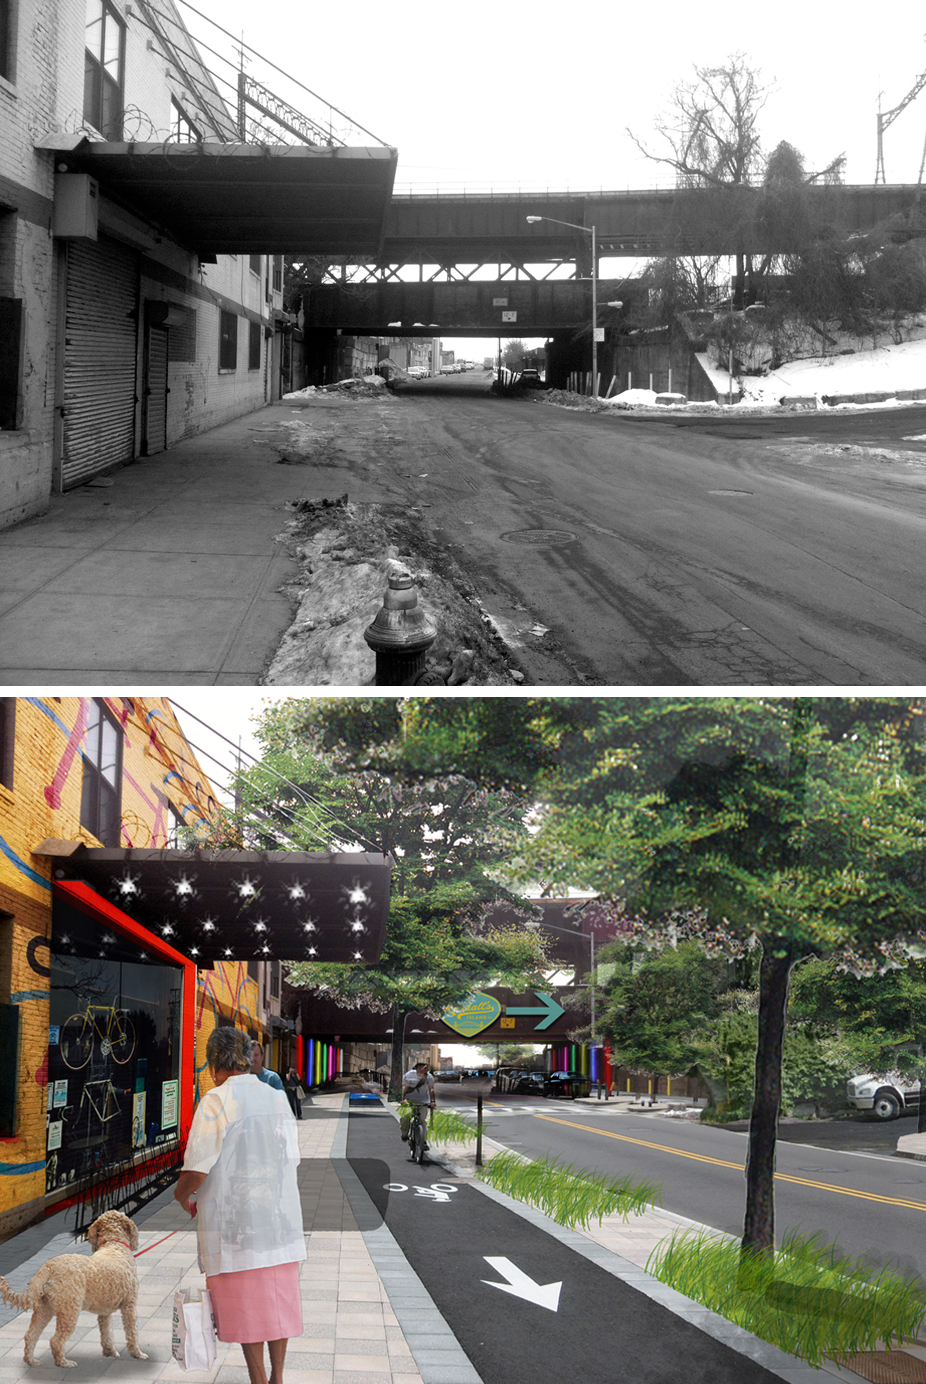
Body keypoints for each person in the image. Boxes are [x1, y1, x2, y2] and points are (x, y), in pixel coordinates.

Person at [174, 1028, 305, 1384]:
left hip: (235, 1227)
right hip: (277, 1220)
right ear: (247, 1058)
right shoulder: (275, 1097)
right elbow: (292, 1156)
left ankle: (260, 1379)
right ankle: (277, 1377)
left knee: (249, 1309)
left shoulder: (216, 1100)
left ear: (214, 1063)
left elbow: (197, 1169)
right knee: (278, 1306)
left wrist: (179, 1194)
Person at [400, 1061, 435, 1146]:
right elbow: (405, 1088)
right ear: (416, 1068)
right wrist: (403, 1099)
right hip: (410, 1100)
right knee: (405, 1116)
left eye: (424, 1068)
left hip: (423, 1101)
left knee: (422, 1120)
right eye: (419, 1068)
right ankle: (405, 1134)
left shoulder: (429, 1077)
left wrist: (432, 1101)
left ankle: (423, 1141)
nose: (421, 1070)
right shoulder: (409, 1075)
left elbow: (431, 1089)